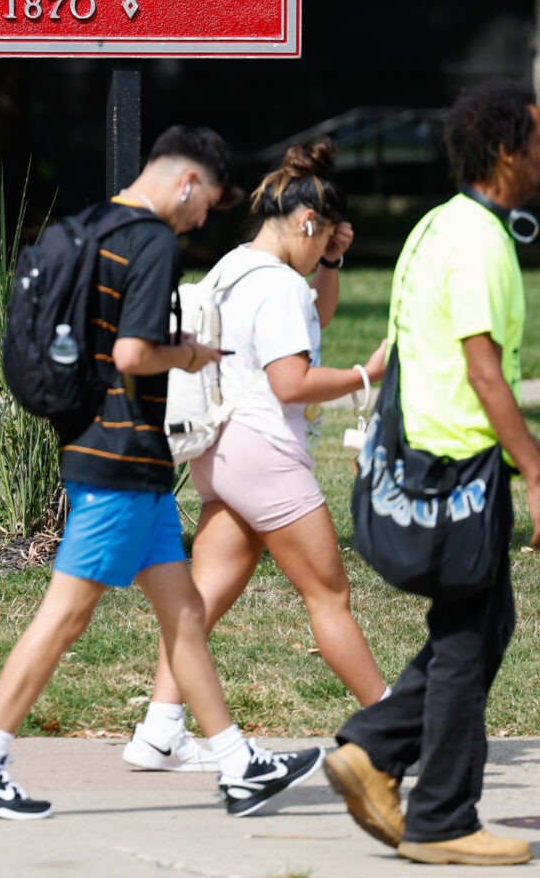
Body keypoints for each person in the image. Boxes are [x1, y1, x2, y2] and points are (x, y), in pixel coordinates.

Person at [0, 127, 324, 821]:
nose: (204, 217)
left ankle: (238, 765)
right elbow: (130, 352)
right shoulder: (151, 240)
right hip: (118, 461)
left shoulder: (90, 223)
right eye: (206, 201)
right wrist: (188, 355)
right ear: (186, 182)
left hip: (119, 456)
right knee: (65, 614)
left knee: (183, 614)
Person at [322, 79, 540, 867]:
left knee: (481, 625)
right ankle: (440, 815)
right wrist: (535, 470)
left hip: (424, 455)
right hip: (461, 464)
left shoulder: (435, 227)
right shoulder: (480, 242)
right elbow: (483, 368)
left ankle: (373, 750)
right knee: (467, 637)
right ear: (506, 152)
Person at [123, 138, 391, 773]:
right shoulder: (278, 289)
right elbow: (291, 382)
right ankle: (401, 723)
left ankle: (159, 731)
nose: (320, 250)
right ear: (305, 223)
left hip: (218, 450)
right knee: (329, 595)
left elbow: (313, 315)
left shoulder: (234, 267)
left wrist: (332, 262)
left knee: (201, 599)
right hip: (263, 451)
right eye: (320, 238)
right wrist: (364, 374)